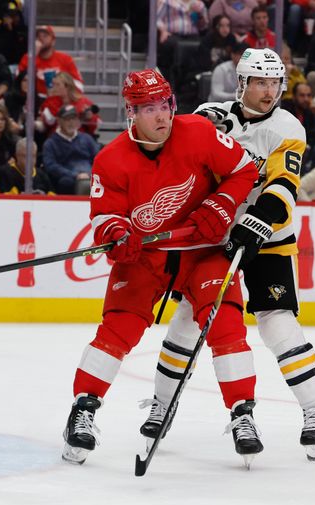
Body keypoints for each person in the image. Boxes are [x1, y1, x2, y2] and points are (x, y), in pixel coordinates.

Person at [62, 69, 260, 467]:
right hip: (146, 258)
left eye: (165, 106)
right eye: (149, 108)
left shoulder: (200, 133)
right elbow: (105, 217)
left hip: (203, 251)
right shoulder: (110, 159)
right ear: (131, 112)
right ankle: (82, 410)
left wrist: (221, 204)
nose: (161, 117)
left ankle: (243, 414)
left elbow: (245, 169)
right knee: (118, 329)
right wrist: (118, 234)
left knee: (225, 326)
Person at [144, 49, 315, 462]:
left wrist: (256, 221)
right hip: (215, 238)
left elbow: (283, 187)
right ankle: (163, 404)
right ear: (242, 85)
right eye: (260, 83)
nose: (269, 92)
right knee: (188, 322)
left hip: (269, 238)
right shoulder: (210, 115)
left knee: (277, 324)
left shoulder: (288, 127)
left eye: (274, 83)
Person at [42, 105, 100, 195]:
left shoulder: (87, 139)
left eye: (73, 119)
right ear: (59, 121)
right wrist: (74, 175)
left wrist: (90, 173)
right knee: (65, 183)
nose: (71, 122)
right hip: (68, 178)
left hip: (90, 174)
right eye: (67, 119)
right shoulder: (51, 143)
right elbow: (50, 165)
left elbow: (99, 159)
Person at [16, 25, 84, 98]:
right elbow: (18, 80)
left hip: (58, 100)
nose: (41, 39)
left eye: (45, 36)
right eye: (38, 37)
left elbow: (79, 85)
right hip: (34, 100)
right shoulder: (28, 57)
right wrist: (33, 56)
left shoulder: (65, 59)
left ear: (53, 41)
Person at [281, 82, 315, 172]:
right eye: (302, 95)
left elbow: (313, 135)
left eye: (308, 95)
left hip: (304, 148)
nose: (306, 99)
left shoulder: (309, 112)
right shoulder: (285, 109)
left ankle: (311, 182)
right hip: (287, 147)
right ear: (294, 96)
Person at [38, 72, 100, 138]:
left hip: (80, 140)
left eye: (57, 85)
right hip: (57, 140)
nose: (54, 87)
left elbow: (95, 126)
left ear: (67, 86)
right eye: (53, 84)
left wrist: (90, 118)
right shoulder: (50, 102)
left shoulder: (83, 102)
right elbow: (47, 123)